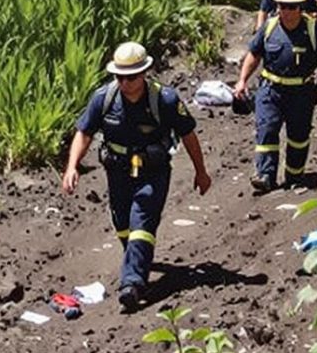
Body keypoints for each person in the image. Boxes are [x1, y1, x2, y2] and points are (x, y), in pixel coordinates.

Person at [61, 40, 211, 309]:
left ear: (143, 73)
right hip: (117, 170)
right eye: (120, 76)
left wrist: (201, 171)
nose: (125, 83)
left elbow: (188, 134)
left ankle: (132, 284)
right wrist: (72, 167)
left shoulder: (164, 100)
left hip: (153, 171)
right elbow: (84, 133)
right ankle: (136, 259)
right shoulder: (104, 99)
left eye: (130, 77)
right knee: (123, 224)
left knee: (142, 221)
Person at [235, 0, 317, 193]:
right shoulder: (269, 27)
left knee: (298, 136)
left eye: (292, 6)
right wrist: (242, 80)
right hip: (270, 89)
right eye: (282, 6)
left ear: (300, 7)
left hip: (301, 92)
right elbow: (254, 55)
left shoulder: (313, 30)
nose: (287, 11)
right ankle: (265, 175)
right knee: (266, 129)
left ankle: (294, 174)